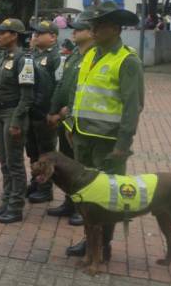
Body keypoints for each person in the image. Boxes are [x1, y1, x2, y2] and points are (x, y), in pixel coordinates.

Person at [64, 1, 144, 260]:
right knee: (87, 193)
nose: (94, 30)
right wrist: (71, 125)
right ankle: (90, 240)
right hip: (83, 136)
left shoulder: (127, 60)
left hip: (107, 141)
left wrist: (123, 144)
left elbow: (133, 106)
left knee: (108, 195)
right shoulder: (89, 55)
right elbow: (78, 93)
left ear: (116, 29)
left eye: (100, 26)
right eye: (93, 25)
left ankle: (104, 245)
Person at [45, 14, 94, 227]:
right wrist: (53, 111)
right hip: (64, 119)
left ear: (91, 32)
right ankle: (69, 202)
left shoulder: (93, 56)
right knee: (67, 163)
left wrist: (68, 113)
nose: (73, 32)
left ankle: (82, 208)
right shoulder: (74, 55)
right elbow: (62, 84)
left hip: (79, 121)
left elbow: (84, 91)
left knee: (81, 167)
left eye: (78, 29)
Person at [0, 18, 34, 224]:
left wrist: (16, 121)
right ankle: (6, 201)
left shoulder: (23, 60)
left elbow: (27, 96)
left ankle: (15, 207)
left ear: (15, 35)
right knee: (4, 162)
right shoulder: (2, 58)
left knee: (14, 163)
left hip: (13, 114)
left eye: (3, 32)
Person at [25, 21, 62, 204]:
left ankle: (45, 188)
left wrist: (53, 111)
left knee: (45, 153)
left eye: (40, 33)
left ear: (53, 37)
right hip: (32, 110)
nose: (35, 36)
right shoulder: (34, 54)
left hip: (45, 113)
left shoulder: (57, 57)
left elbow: (59, 87)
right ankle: (36, 181)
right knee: (32, 150)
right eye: (35, 33)